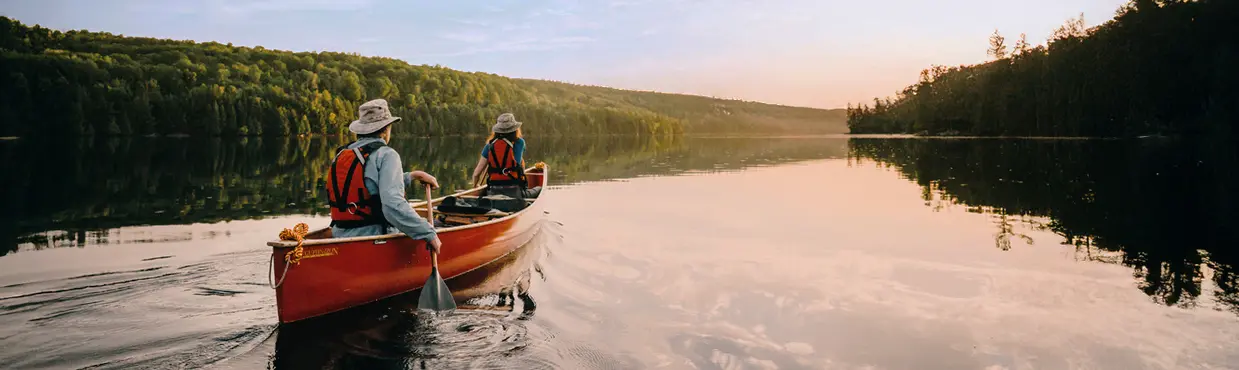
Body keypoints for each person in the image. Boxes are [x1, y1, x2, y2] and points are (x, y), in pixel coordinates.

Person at [327, 98, 442, 253]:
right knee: (435, 224)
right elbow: (392, 206)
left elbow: (368, 184)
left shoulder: (342, 154)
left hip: (338, 235)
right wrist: (428, 232)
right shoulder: (386, 154)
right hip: (374, 238)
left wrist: (413, 175)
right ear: (386, 129)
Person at [471, 113, 541, 200]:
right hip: (515, 194)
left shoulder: (489, 146)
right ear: (515, 129)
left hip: (492, 192)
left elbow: (476, 174)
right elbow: (519, 166)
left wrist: (475, 186)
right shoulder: (520, 143)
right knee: (539, 189)